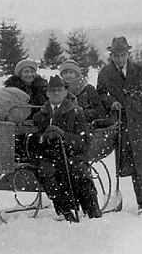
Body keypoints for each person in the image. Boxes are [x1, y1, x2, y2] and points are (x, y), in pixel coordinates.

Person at [96, 36, 142, 215]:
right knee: (136, 167)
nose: (119, 59)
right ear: (111, 55)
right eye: (116, 55)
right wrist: (110, 101)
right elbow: (100, 95)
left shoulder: (141, 70)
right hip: (125, 125)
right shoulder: (105, 73)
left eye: (122, 55)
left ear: (128, 53)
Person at [31, 75, 102, 222]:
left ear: (65, 92)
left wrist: (63, 135)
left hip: (72, 156)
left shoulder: (76, 112)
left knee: (80, 173)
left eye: (59, 90)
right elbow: (32, 141)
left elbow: (85, 141)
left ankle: (93, 212)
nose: (56, 93)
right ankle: (65, 210)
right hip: (49, 157)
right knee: (47, 172)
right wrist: (43, 137)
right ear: (47, 93)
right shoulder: (40, 115)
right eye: (52, 90)